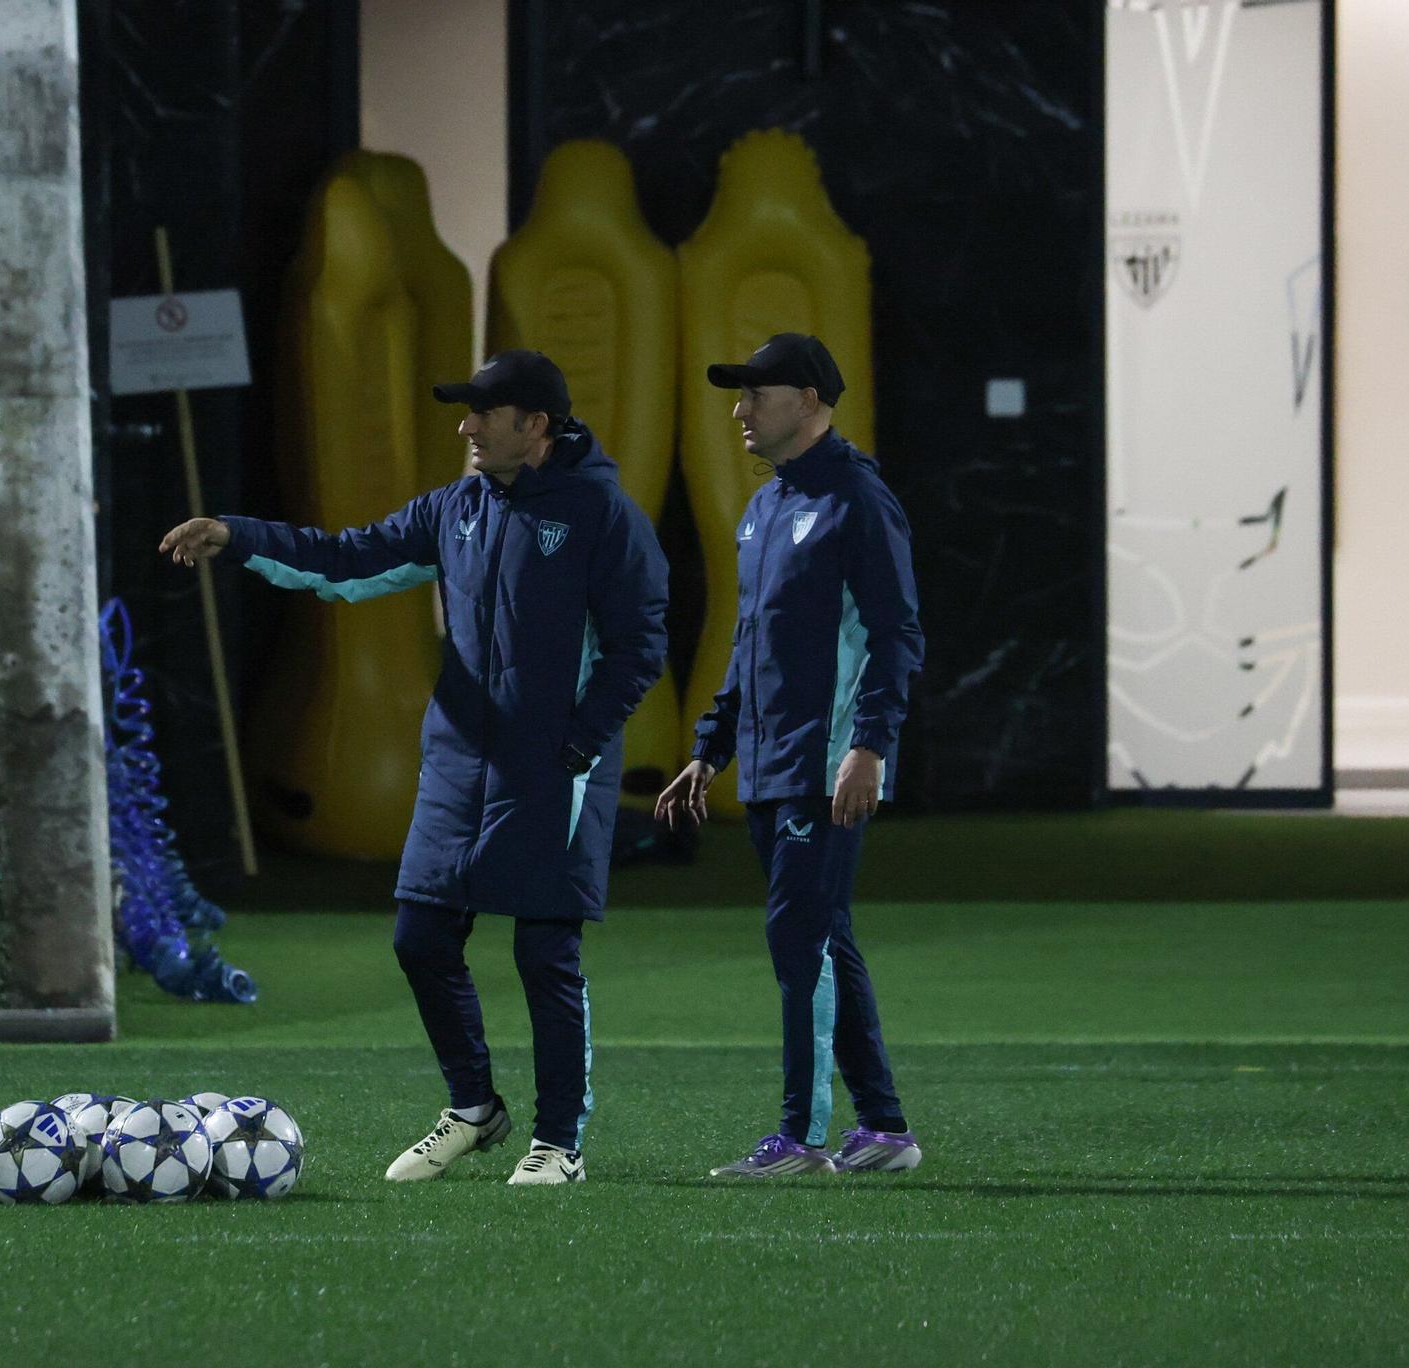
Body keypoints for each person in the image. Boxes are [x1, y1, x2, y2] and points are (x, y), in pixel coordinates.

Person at [160, 350, 667, 1186]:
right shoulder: (455, 508)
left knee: (546, 954)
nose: (465, 427)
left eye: (483, 414)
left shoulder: (602, 516)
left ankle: (559, 1143)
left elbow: (639, 645)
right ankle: (475, 1108)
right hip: (459, 766)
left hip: (554, 767)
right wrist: (237, 536)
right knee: (420, 937)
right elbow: (350, 561)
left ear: (535, 425)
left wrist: (577, 745)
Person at [655, 333, 926, 1177]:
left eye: (755, 396)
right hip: (775, 767)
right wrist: (710, 748)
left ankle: (802, 1139)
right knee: (820, 937)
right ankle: (883, 1129)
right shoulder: (767, 505)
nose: (739, 411)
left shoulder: (857, 497)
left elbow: (896, 632)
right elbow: (751, 644)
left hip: (828, 764)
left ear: (809, 400)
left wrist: (870, 745)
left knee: (798, 939)